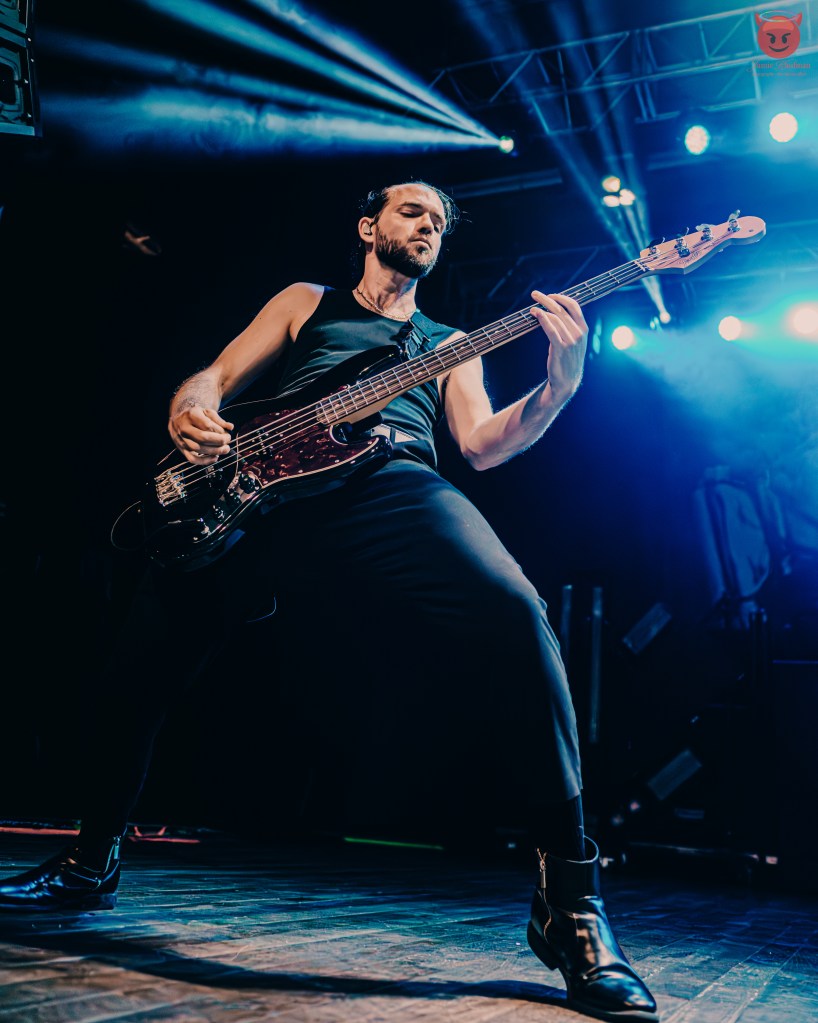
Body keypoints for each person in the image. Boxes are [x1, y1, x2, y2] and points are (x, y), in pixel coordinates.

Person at [0, 181, 658, 1023]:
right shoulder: (306, 301)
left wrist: (559, 387)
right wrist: (192, 407)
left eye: (441, 223)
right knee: (137, 668)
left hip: (388, 479)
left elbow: (483, 444)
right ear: (368, 225)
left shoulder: (449, 341)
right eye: (413, 211)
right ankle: (90, 862)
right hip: (253, 493)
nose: (429, 226)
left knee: (513, 611)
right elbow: (215, 376)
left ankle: (571, 907)